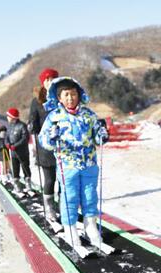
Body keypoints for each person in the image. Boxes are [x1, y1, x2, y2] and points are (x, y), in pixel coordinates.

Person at [39, 77, 109, 251]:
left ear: (79, 95)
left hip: (89, 163)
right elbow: (43, 140)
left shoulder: (89, 115)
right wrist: (51, 137)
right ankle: (70, 228)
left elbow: (98, 138)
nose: (70, 98)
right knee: (69, 197)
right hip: (68, 165)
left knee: (90, 196)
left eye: (74, 94)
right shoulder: (54, 117)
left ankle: (90, 225)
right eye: (66, 95)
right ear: (59, 98)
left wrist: (102, 134)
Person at [30, 68, 60, 221]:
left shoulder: (62, 97)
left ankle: (64, 205)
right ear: (43, 82)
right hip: (46, 146)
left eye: (52, 79)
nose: (50, 82)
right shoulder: (37, 101)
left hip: (63, 145)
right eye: (47, 80)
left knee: (64, 180)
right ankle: (49, 207)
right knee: (50, 179)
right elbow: (33, 122)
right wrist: (31, 126)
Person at [6, 108, 32, 192]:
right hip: (13, 153)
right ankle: (16, 184)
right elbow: (6, 137)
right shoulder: (9, 127)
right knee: (15, 169)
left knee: (25, 168)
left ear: (12, 117)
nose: (7, 117)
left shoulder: (22, 125)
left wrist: (16, 145)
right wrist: (7, 144)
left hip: (22, 152)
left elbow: (25, 138)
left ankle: (28, 183)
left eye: (8, 116)